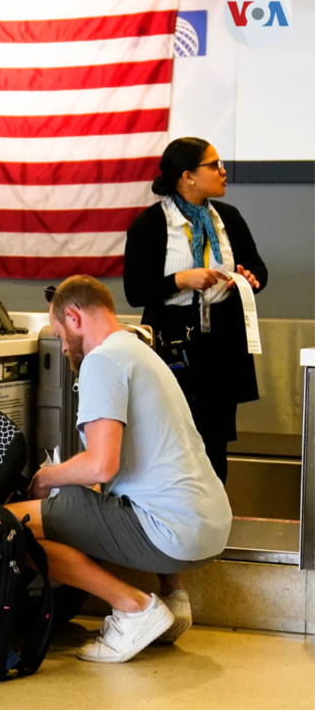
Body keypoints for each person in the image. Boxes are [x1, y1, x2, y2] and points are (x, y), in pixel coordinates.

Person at [6, 276, 232, 663]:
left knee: (11, 529)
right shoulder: (138, 350)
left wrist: (43, 478)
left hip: (174, 533)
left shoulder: (101, 360)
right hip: (209, 527)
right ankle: (173, 600)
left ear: (73, 317)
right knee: (83, 499)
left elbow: (100, 465)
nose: (62, 348)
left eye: (60, 335)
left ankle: (135, 609)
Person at [124, 137, 267, 483]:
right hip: (173, 342)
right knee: (171, 436)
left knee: (215, 442)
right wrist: (181, 279)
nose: (223, 171)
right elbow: (134, 291)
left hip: (221, 341)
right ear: (187, 176)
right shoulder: (151, 224)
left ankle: (213, 523)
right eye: (214, 165)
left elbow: (259, 270)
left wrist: (248, 278)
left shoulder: (228, 218)